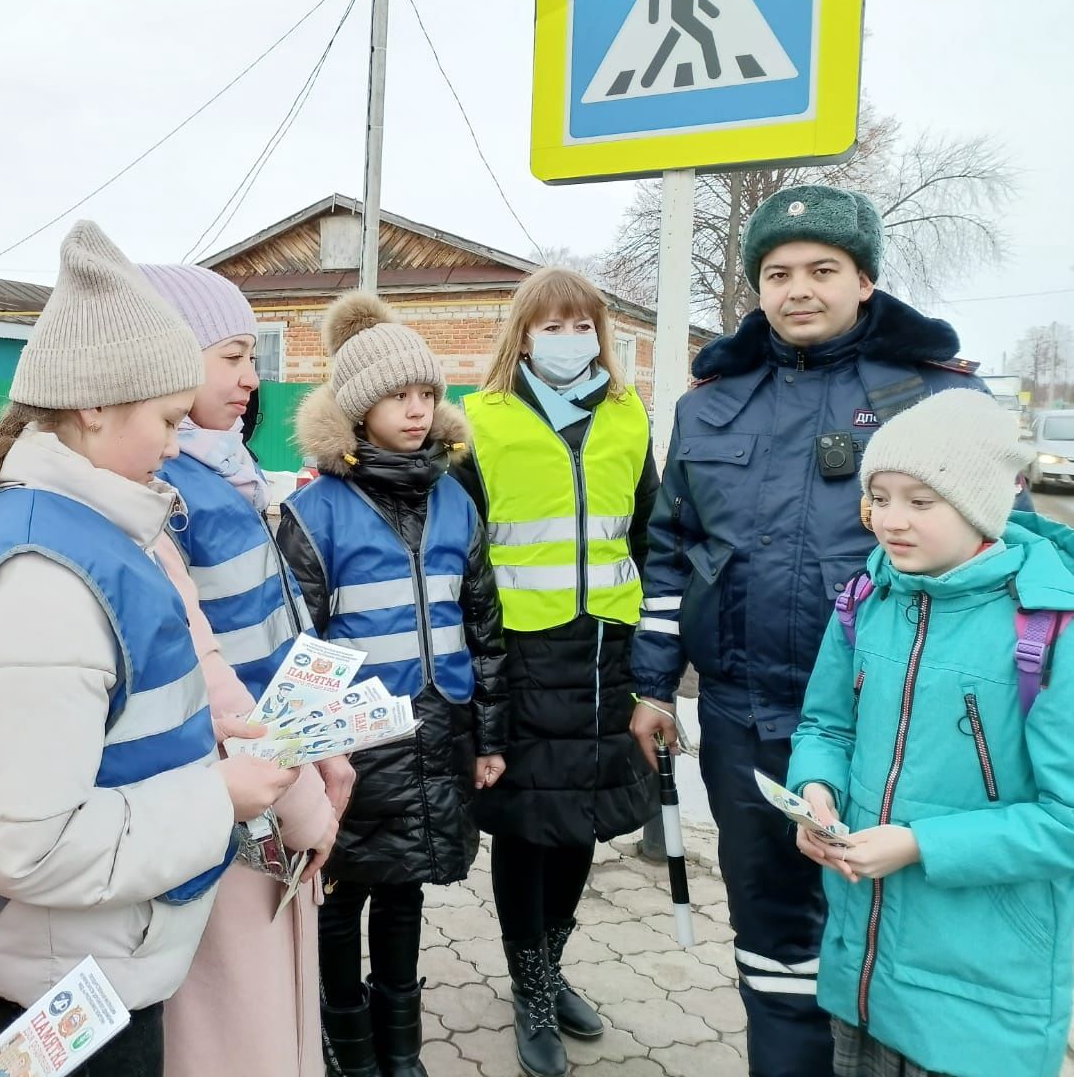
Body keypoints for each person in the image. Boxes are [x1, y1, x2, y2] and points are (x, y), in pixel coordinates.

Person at [628, 185, 1024, 1077]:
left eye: (821, 269)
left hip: (896, 720)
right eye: (776, 273)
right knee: (771, 936)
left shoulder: (937, 397)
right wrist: (652, 681)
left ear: (864, 279)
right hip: (744, 718)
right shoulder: (709, 403)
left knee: (892, 928)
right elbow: (672, 550)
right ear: (755, 288)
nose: (797, 288)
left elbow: (1008, 561)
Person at [0, 222, 297, 1077]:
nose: (178, 443)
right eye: (166, 418)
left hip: (80, 954)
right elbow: (26, 846)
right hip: (63, 973)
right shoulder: (49, 578)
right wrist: (216, 795)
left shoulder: (91, 533)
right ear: (95, 405)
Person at [788, 390, 1074, 1077]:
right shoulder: (867, 597)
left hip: (982, 992)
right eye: (878, 498)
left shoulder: (1047, 628)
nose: (890, 521)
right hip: (861, 966)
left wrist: (920, 845)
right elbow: (824, 722)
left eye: (920, 502)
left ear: (979, 506)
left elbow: (1063, 822)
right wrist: (814, 790)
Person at [276, 292, 508, 1077]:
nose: (415, 412)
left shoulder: (454, 498)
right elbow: (295, 643)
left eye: (426, 395)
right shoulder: (314, 510)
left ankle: (400, 1050)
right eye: (396, 397)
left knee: (407, 888)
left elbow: (484, 625)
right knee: (341, 900)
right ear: (356, 408)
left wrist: (489, 737)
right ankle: (347, 1051)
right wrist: (307, 758)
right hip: (354, 746)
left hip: (436, 732)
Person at [138, 261, 345, 1077]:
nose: (251, 379)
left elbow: (271, 629)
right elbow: (208, 669)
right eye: (231, 357)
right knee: (237, 1018)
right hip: (238, 793)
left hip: (278, 774)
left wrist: (322, 741)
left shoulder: (227, 475)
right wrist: (297, 782)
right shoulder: (164, 492)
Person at [455, 267, 660, 1077]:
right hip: (521, 654)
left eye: (582, 324)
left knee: (579, 821)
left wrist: (654, 660)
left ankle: (550, 964)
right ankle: (527, 985)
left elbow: (646, 535)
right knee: (527, 824)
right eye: (552, 324)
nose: (569, 338)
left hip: (606, 652)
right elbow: (462, 557)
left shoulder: (627, 414)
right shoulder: (479, 421)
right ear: (522, 332)